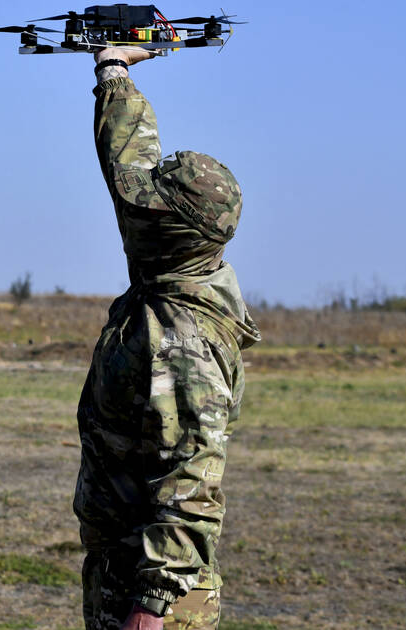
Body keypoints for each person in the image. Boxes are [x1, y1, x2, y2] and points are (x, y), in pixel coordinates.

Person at [72, 47, 261, 630]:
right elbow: (127, 166)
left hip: (154, 593)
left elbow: (192, 482)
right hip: (123, 565)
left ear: (169, 230)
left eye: (150, 208)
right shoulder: (174, 266)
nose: (135, 205)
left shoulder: (183, 340)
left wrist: (152, 608)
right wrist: (114, 70)